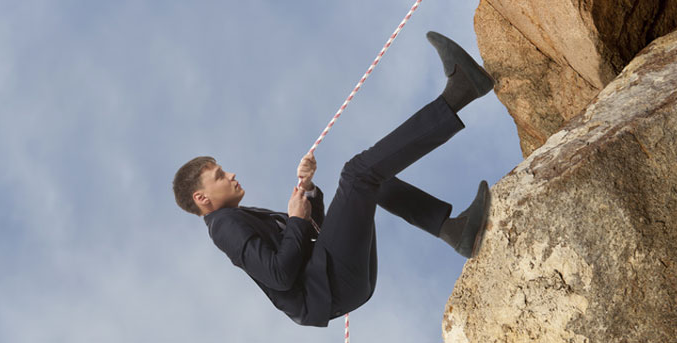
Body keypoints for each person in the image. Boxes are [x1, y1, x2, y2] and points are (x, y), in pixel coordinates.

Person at [173, 31, 494, 327]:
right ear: (202, 198)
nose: (230, 174)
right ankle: (460, 91)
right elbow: (279, 275)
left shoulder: (236, 218)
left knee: (371, 180)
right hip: (332, 286)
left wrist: (309, 191)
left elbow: (321, 230)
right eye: (219, 176)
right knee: (358, 173)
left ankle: (454, 230)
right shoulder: (223, 226)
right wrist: (297, 220)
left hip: (341, 284)